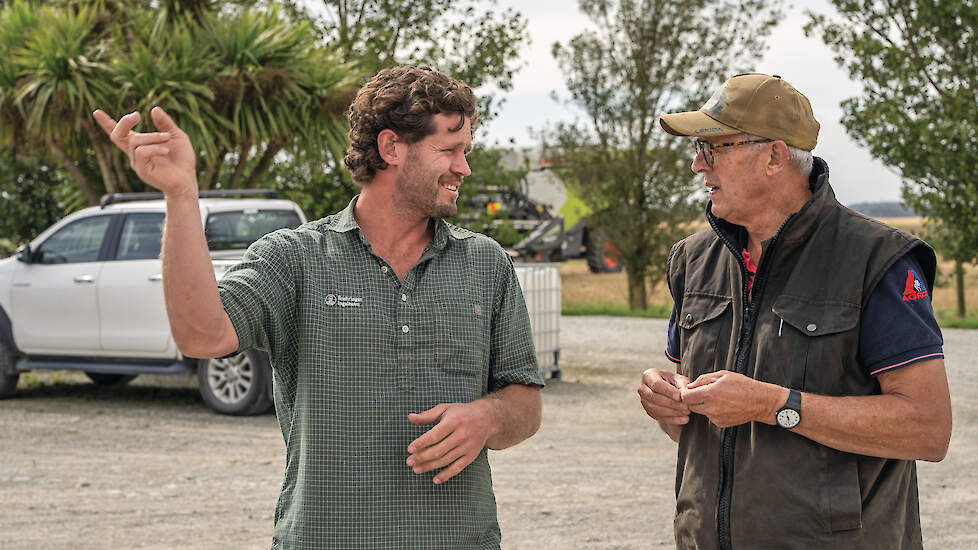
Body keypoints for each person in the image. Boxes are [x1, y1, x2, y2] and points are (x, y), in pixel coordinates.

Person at [93, 65, 544, 549]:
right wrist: (181, 195)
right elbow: (202, 335)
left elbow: (526, 402)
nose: (464, 167)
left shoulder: (486, 264)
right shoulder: (295, 258)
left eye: (465, 152)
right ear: (391, 148)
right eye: (449, 150)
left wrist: (489, 418)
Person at [637, 73, 951, 549]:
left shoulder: (876, 260)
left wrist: (773, 405)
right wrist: (670, 405)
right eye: (698, 150)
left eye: (713, 148)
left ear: (774, 156)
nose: (698, 166)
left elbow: (928, 430)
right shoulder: (693, 260)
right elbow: (700, 429)